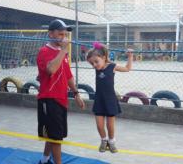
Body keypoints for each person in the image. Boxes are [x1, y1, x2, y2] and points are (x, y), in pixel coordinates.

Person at [36, 19, 85, 164]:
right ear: (51, 34)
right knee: (56, 137)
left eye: (65, 34)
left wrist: (76, 93)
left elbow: (68, 75)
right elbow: (50, 69)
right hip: (49, 99)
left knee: (54, 134)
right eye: (60, 34)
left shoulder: (62, 54)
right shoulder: (44, 51)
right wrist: (63, 50)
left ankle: (44, 160)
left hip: (61, 99)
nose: (64, 37)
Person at [86, 42, 133, 153]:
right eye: (92, 64)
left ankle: (111, 142)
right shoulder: (97, 67)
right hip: (99, 100)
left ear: (104, 58)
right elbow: (98, 54)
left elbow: (127, 69)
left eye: (96, 62)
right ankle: (104, 140)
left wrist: (130, 57)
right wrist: (98, 52)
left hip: (110, 100)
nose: (94, 65)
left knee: (110, 125)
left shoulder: (112, 66)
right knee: (99, 125)